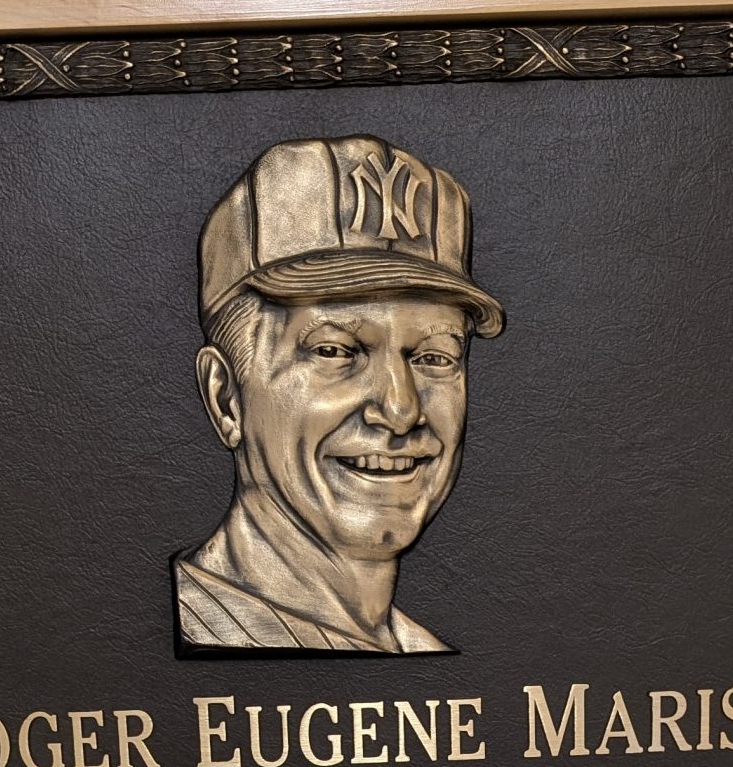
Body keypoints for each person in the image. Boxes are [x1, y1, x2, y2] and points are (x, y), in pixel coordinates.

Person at [173, 134, 505, 654]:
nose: (401, 410)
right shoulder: (199, 631)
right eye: (336, 351)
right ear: (226, 397)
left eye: (434, 357)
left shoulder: (423, 653)